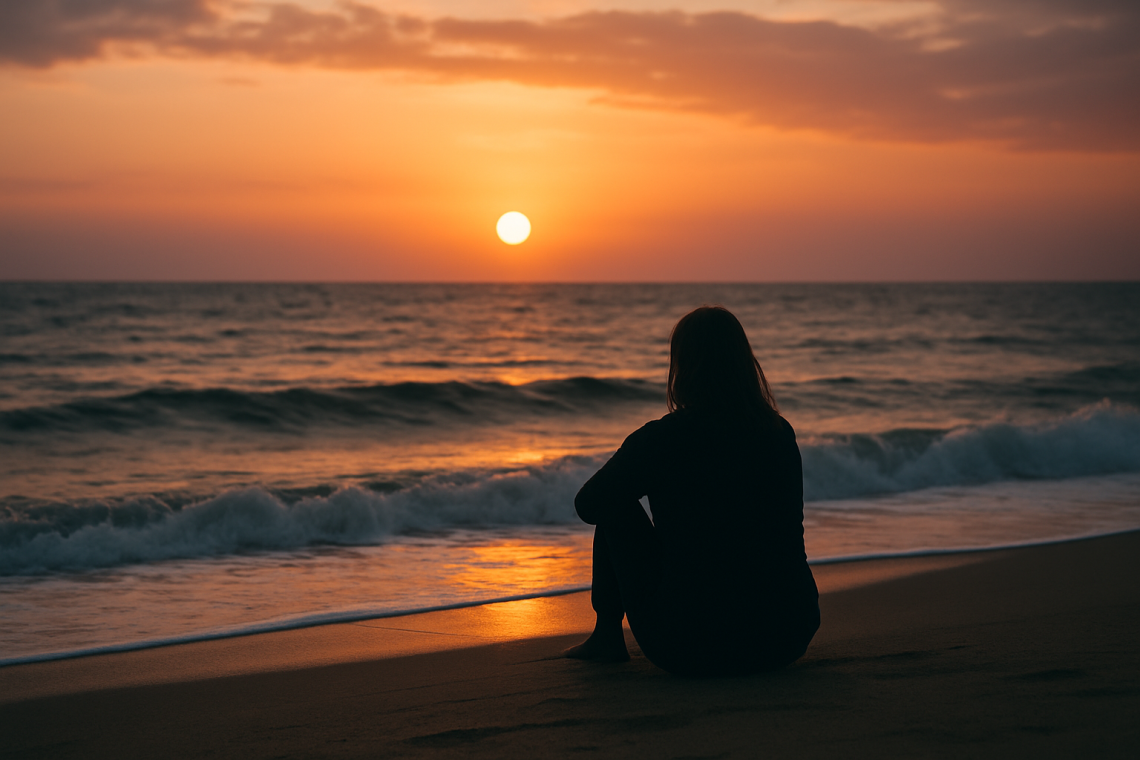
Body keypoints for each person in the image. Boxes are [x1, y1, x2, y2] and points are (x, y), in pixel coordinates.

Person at [564, 306, 819, 676]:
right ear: (745, 363)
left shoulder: (662, 438)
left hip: (690, 642)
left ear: (682, 367)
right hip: (786, 634)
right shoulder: (779, 433)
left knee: (613, 505)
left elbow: (589, 504)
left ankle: (606, 637)